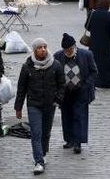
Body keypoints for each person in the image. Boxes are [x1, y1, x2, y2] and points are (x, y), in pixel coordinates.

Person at [15, 38, 65, 175]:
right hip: (34, 104)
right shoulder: (27, 67)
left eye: (44, 47)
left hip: (50, 104)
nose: (43, 49)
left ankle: (43, 152)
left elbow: (62, 84)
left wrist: (58, 100)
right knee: (36, 133)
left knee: (45, 132)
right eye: (39, 47)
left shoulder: (55, 65)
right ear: (34, 50)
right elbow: (21, 88)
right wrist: (18, 107)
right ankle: (38, 162)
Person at [53, 33, 97, 154]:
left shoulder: (86, 55)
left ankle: (78, 142)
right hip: (65, 91)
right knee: (66, 115)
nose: (68, 52)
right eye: (65, 50)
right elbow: (55, 74)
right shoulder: (57, 56)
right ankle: (69, 140)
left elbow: (94, 72)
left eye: (70, 49)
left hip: (81, 91)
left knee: (79, 115)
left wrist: (86, 84)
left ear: (74, 46)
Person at [85, 0, 110, 88]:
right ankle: (107, 80)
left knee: (95, 61)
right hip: (106, 43)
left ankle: (95, 80)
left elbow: (87, 27)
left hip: (94, 42)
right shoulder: (109, 15)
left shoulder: (92, 13)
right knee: (106, 63)